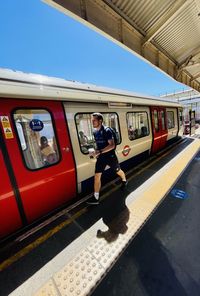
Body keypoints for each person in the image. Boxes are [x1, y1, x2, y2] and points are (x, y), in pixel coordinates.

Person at [87, 113, 128, 205]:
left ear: (100, 121)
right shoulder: (95, 132)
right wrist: (96, 152)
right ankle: (96, 197)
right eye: (92, 120)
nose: (92, 122)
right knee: (97, 176)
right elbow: (99, 144)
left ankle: (124, 180)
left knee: (118, 171)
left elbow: (112, 145)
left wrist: (100, 151)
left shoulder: (107, 130)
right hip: (101, 157)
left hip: (110, 157)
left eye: (94, 120)